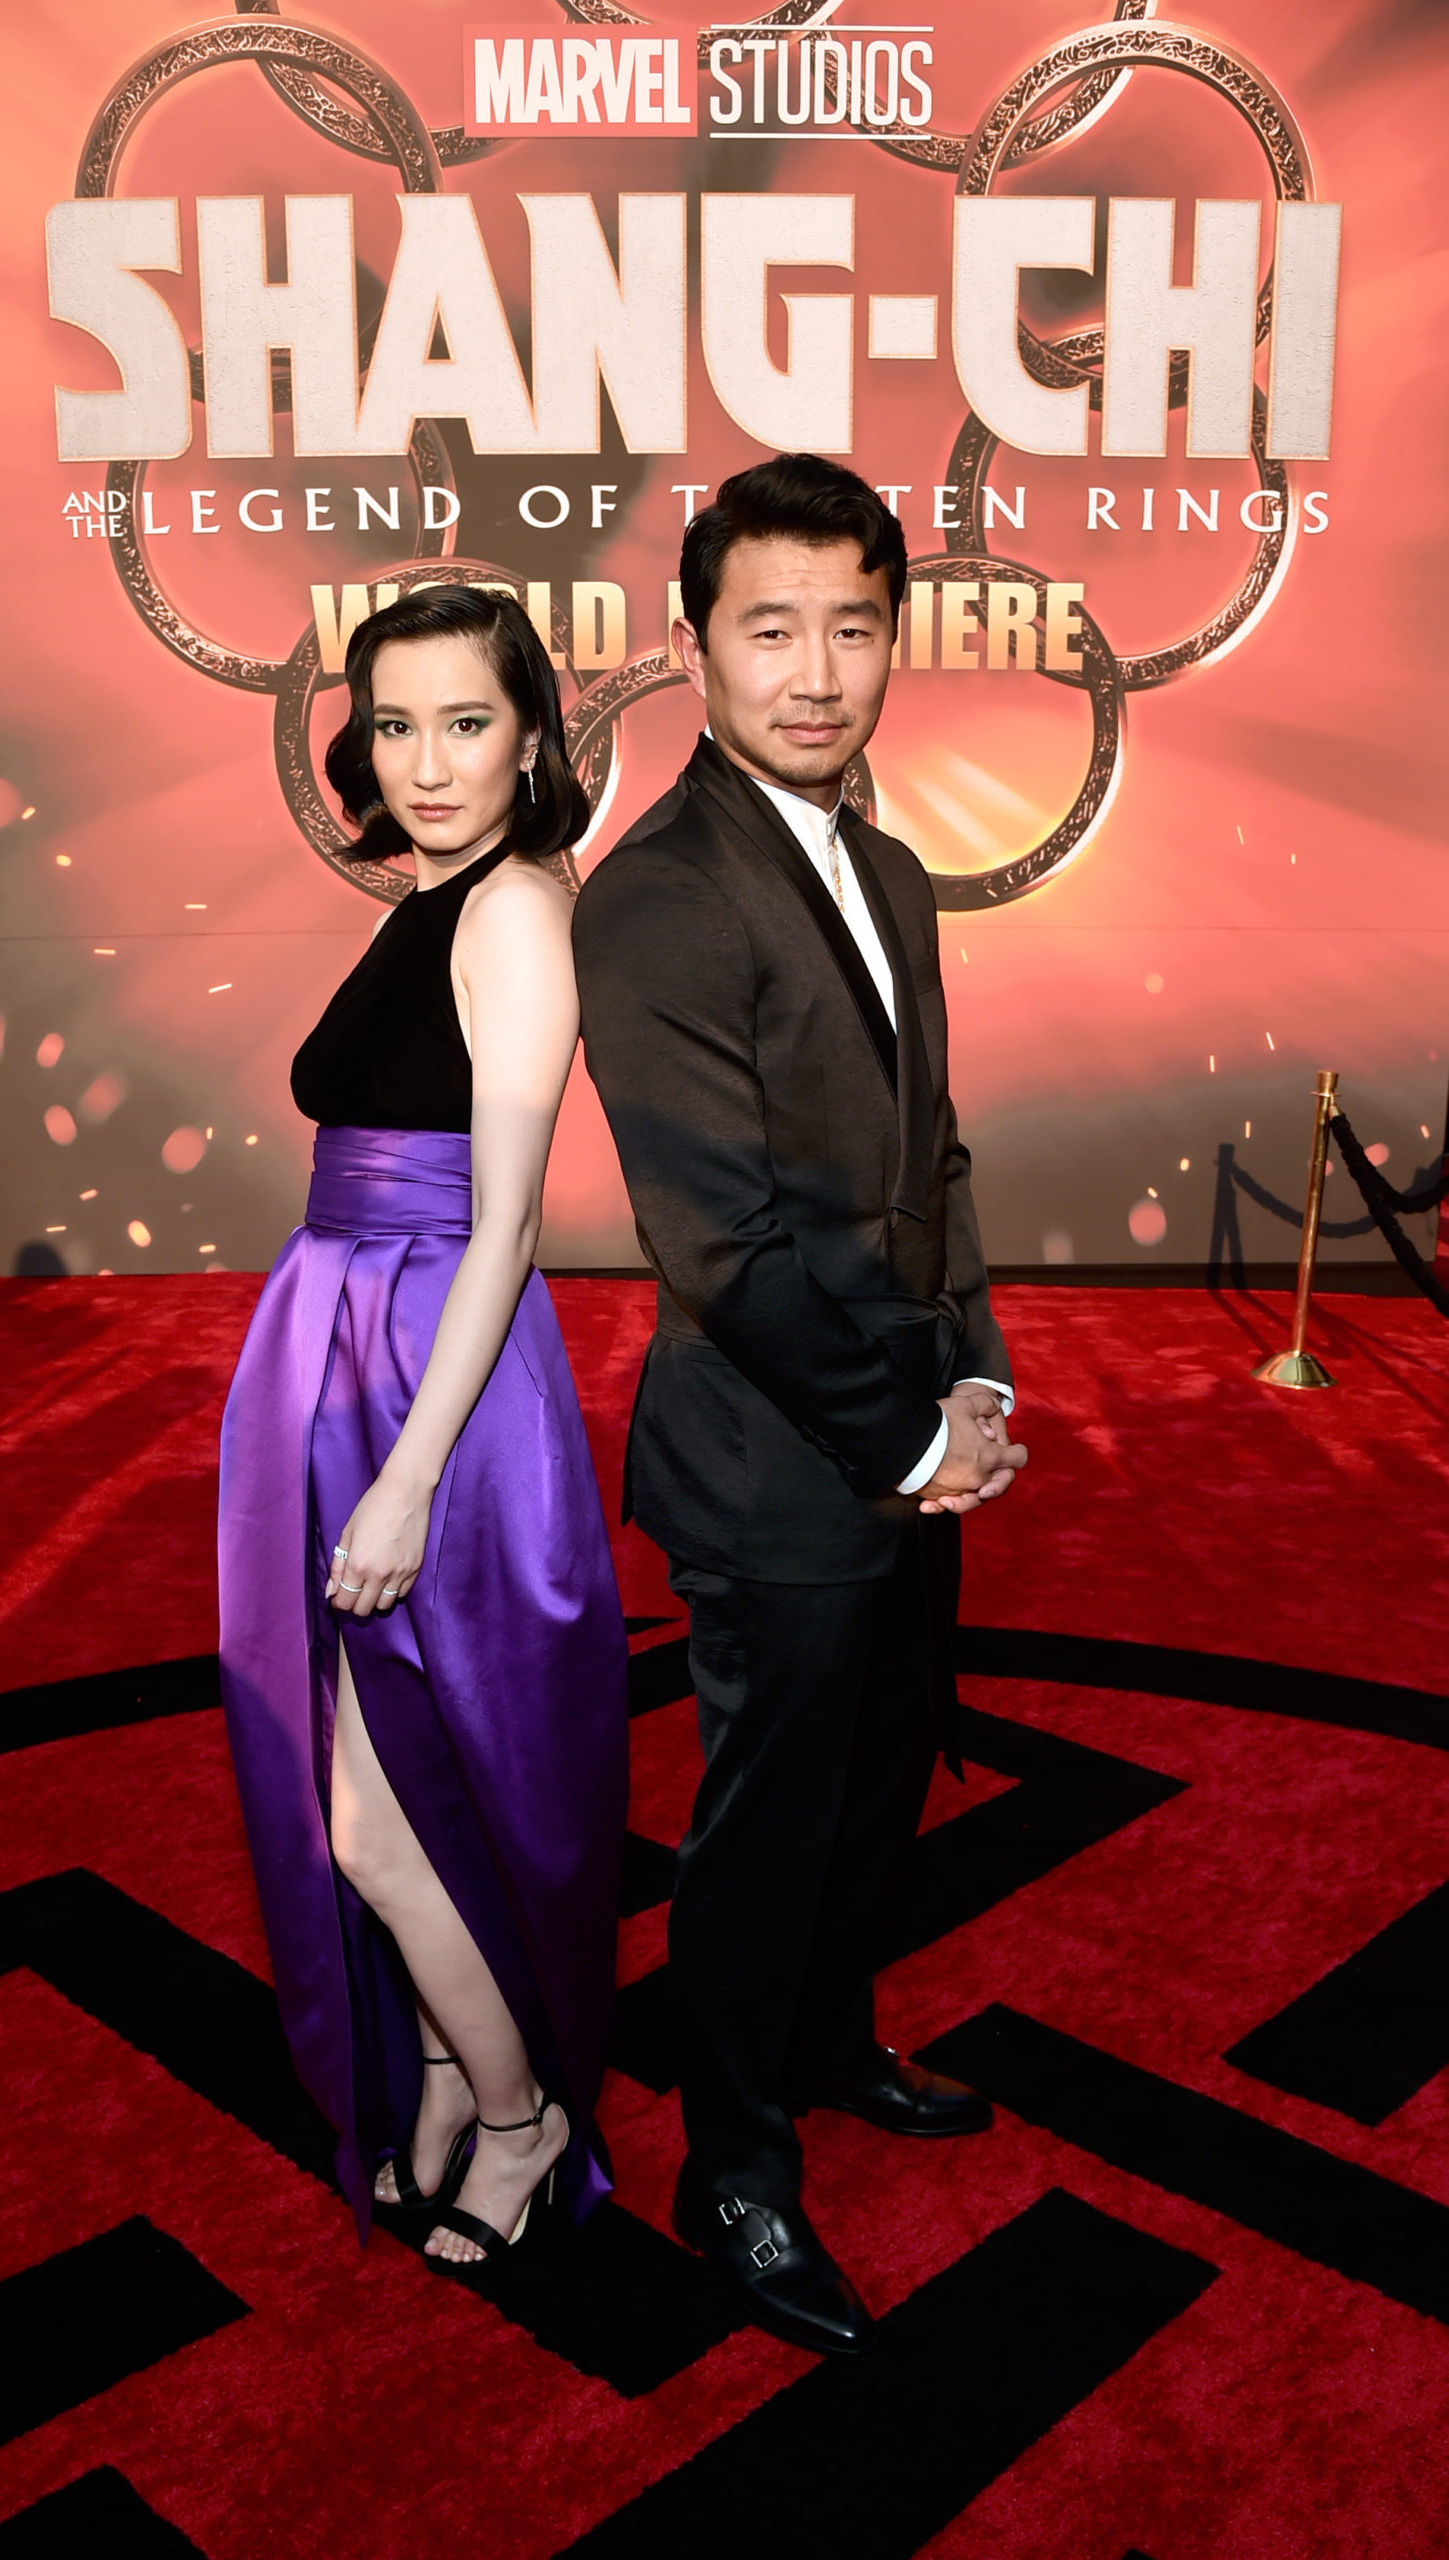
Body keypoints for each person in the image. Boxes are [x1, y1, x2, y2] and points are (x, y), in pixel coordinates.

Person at [573, 455, 1028, 2358]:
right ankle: (734, 2168)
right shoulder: (659, 895)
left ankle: (831, 2044)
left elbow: (930, 1155)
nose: (817, 670)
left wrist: (975, 1363)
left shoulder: (892, 869)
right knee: (764, 1832)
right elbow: (722, 1247)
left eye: (854, 624)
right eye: (771, 629)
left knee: (873, 1786)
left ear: (895, 635)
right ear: (695, 648)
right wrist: (914, 1440)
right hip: (774, 1463)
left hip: (909, 1430)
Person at [219, 586, 629, 2269]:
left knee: (375, 1812)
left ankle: (522, 2115)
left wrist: (403, 1479)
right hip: (351, 1348)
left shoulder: (518, 911)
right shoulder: (434, 897)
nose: (429, 762)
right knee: (388, 1764)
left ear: (531, 736)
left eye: (467, 723)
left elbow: (506, 1223)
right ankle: (458, 2071)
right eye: (395, 726)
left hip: (428, 1376)